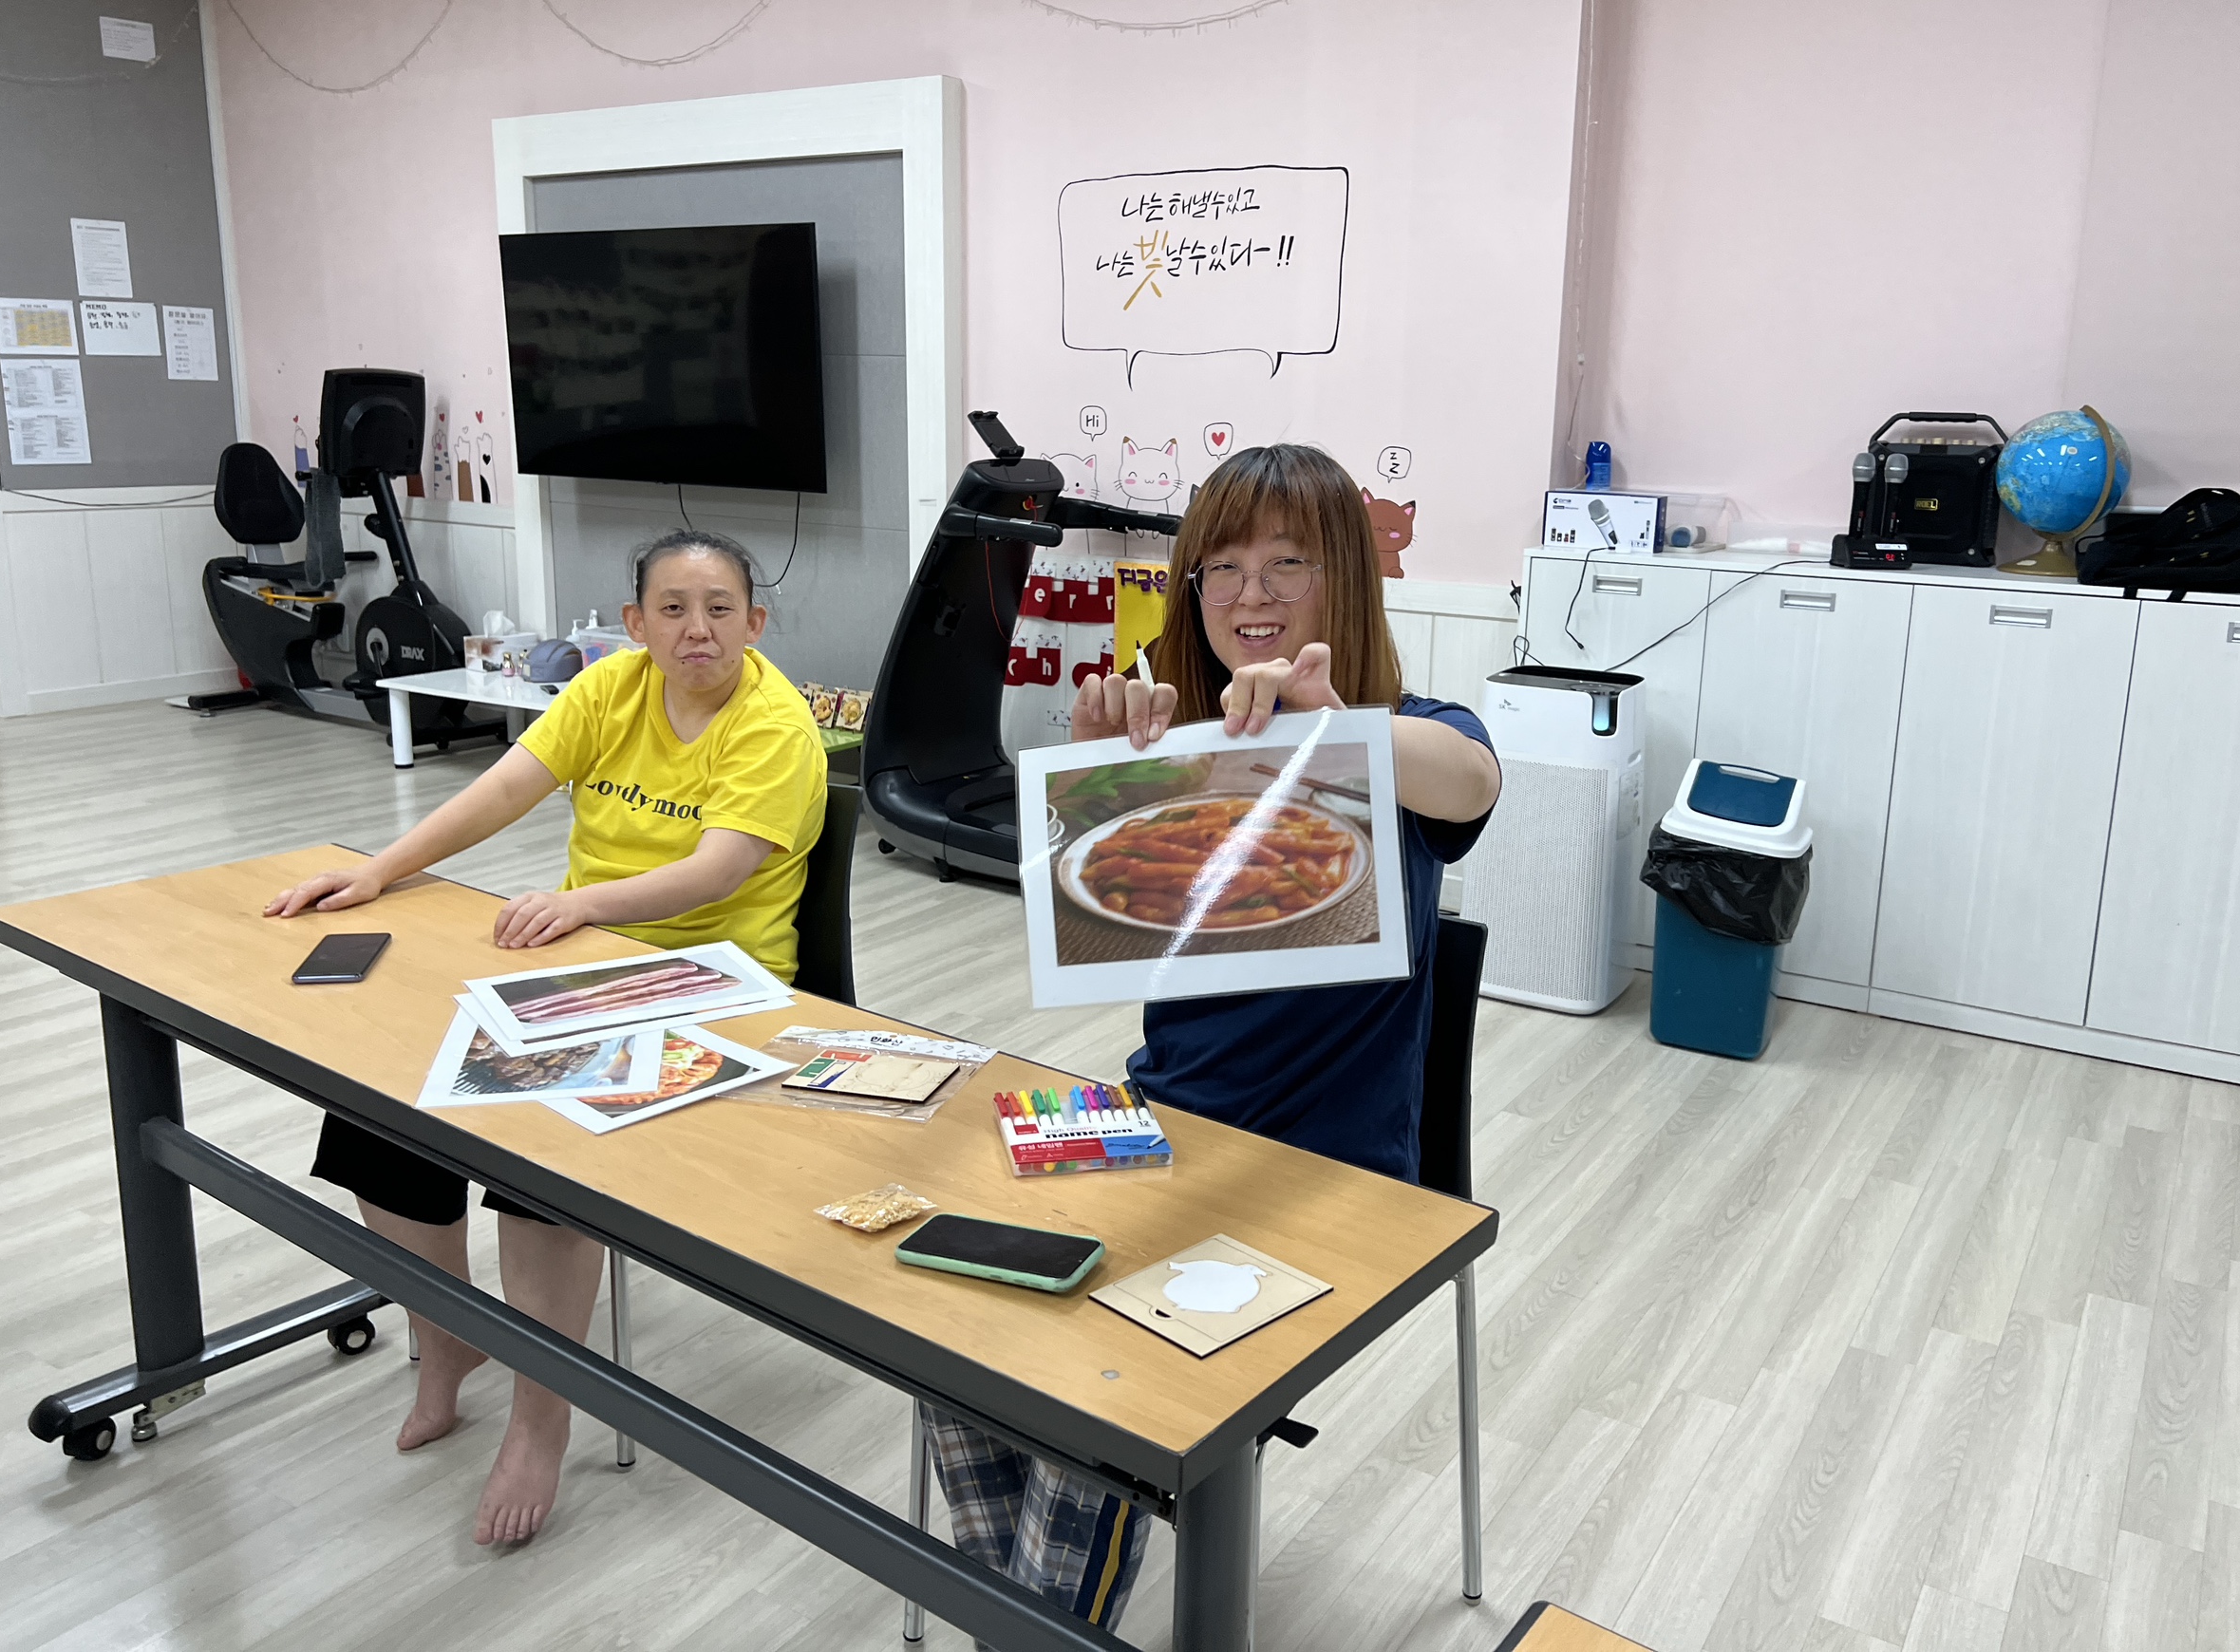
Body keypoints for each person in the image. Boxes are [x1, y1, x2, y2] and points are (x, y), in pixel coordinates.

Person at [918, 444, 1500, 1635]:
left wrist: (1336, 729)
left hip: (1326, 1175)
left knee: (1107, 1386)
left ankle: (1027, 1620)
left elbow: (1470, 779)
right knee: (952, 1291)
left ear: (1348, 579)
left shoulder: (1407, 736)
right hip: (1153, 1125)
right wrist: (1094, 766)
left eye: (1290, 562)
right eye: (1221, 567)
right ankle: (1020, 1615)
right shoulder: (1183, 749)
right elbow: (1081, 910)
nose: (1252, 594)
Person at [265, 527, 826, 1547]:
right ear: (635, 623)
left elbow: (718, 870)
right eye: (672, 608)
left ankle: (542, 1412)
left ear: (755, 621)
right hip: (579, 968)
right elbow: (505, 788)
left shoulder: (775, 722)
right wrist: (382, 869)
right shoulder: (610, 687)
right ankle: (447, 1336)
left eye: (718, 609)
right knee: (379, 1105)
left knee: (543, 1155)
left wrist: (581, 905)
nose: (696, 629)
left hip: (712, 983)